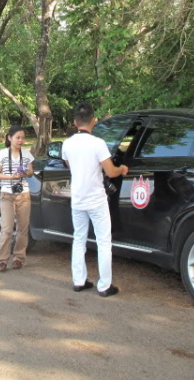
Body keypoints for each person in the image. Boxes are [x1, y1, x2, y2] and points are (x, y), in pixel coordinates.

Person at [62, 101, 129, 298]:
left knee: (79, 238)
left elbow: (69, 164)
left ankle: (79, 281)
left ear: (75, 122)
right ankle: (104, 285)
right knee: (103, 242)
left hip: (78, 198)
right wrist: (122, 169)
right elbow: (110, 171)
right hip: (96, 199)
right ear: (94, 121)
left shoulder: (67, 144)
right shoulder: (98, 144)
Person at [0, 125, 35, 272]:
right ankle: (2, 259)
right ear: (9, 138)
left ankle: (19, 258)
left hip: (23, 194)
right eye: (17, 137)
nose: (21, 140)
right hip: (6, 194)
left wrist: (26, 172)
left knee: (23, 228)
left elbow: (31, 172)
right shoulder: (2, 153)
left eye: (23, 138)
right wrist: (11, 176)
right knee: (7, 228)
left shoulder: (27, 154)